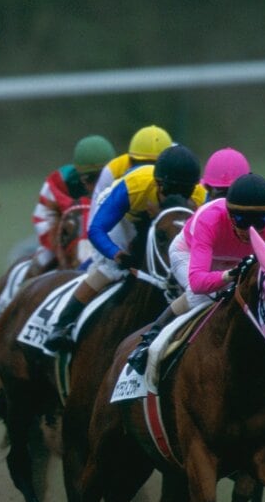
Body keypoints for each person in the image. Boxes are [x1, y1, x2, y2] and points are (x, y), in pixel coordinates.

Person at [125, 172, 265, 372]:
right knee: (202, 297)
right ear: (229, 214)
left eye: (260, 221)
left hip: (234, 261)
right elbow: (198, 283)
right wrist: (230, 275)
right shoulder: (209, 220)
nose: (250, 230)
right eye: (241, 220)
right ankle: (150, 339)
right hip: (187, 253)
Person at [44, 144, 201, 352]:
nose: (176, 198)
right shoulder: (135, 187)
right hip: (125, 219)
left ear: (194, 188)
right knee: (111, 270)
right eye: (171, 191)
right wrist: (115, 253)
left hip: (166, 223)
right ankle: (62, 324)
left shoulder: (200, 196)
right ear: (157, 184)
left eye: (185, 192)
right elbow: (96, 229)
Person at [30, 135, 114, 268]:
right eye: (90, 179)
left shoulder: (125, 179)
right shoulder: (60, 182)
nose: (97, 185)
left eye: (103, 176)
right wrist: (57, 245)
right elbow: (44, 217)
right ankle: (25, 280)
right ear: (79, 174)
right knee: (43, 260)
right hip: (69, 241)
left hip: (111, 236)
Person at [91, 124, 173, 200]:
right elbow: (97, 209)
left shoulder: (177, 171)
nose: (146, 171)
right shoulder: (113, 170)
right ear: (129, 159)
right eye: (141, 164)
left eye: (154, 165)